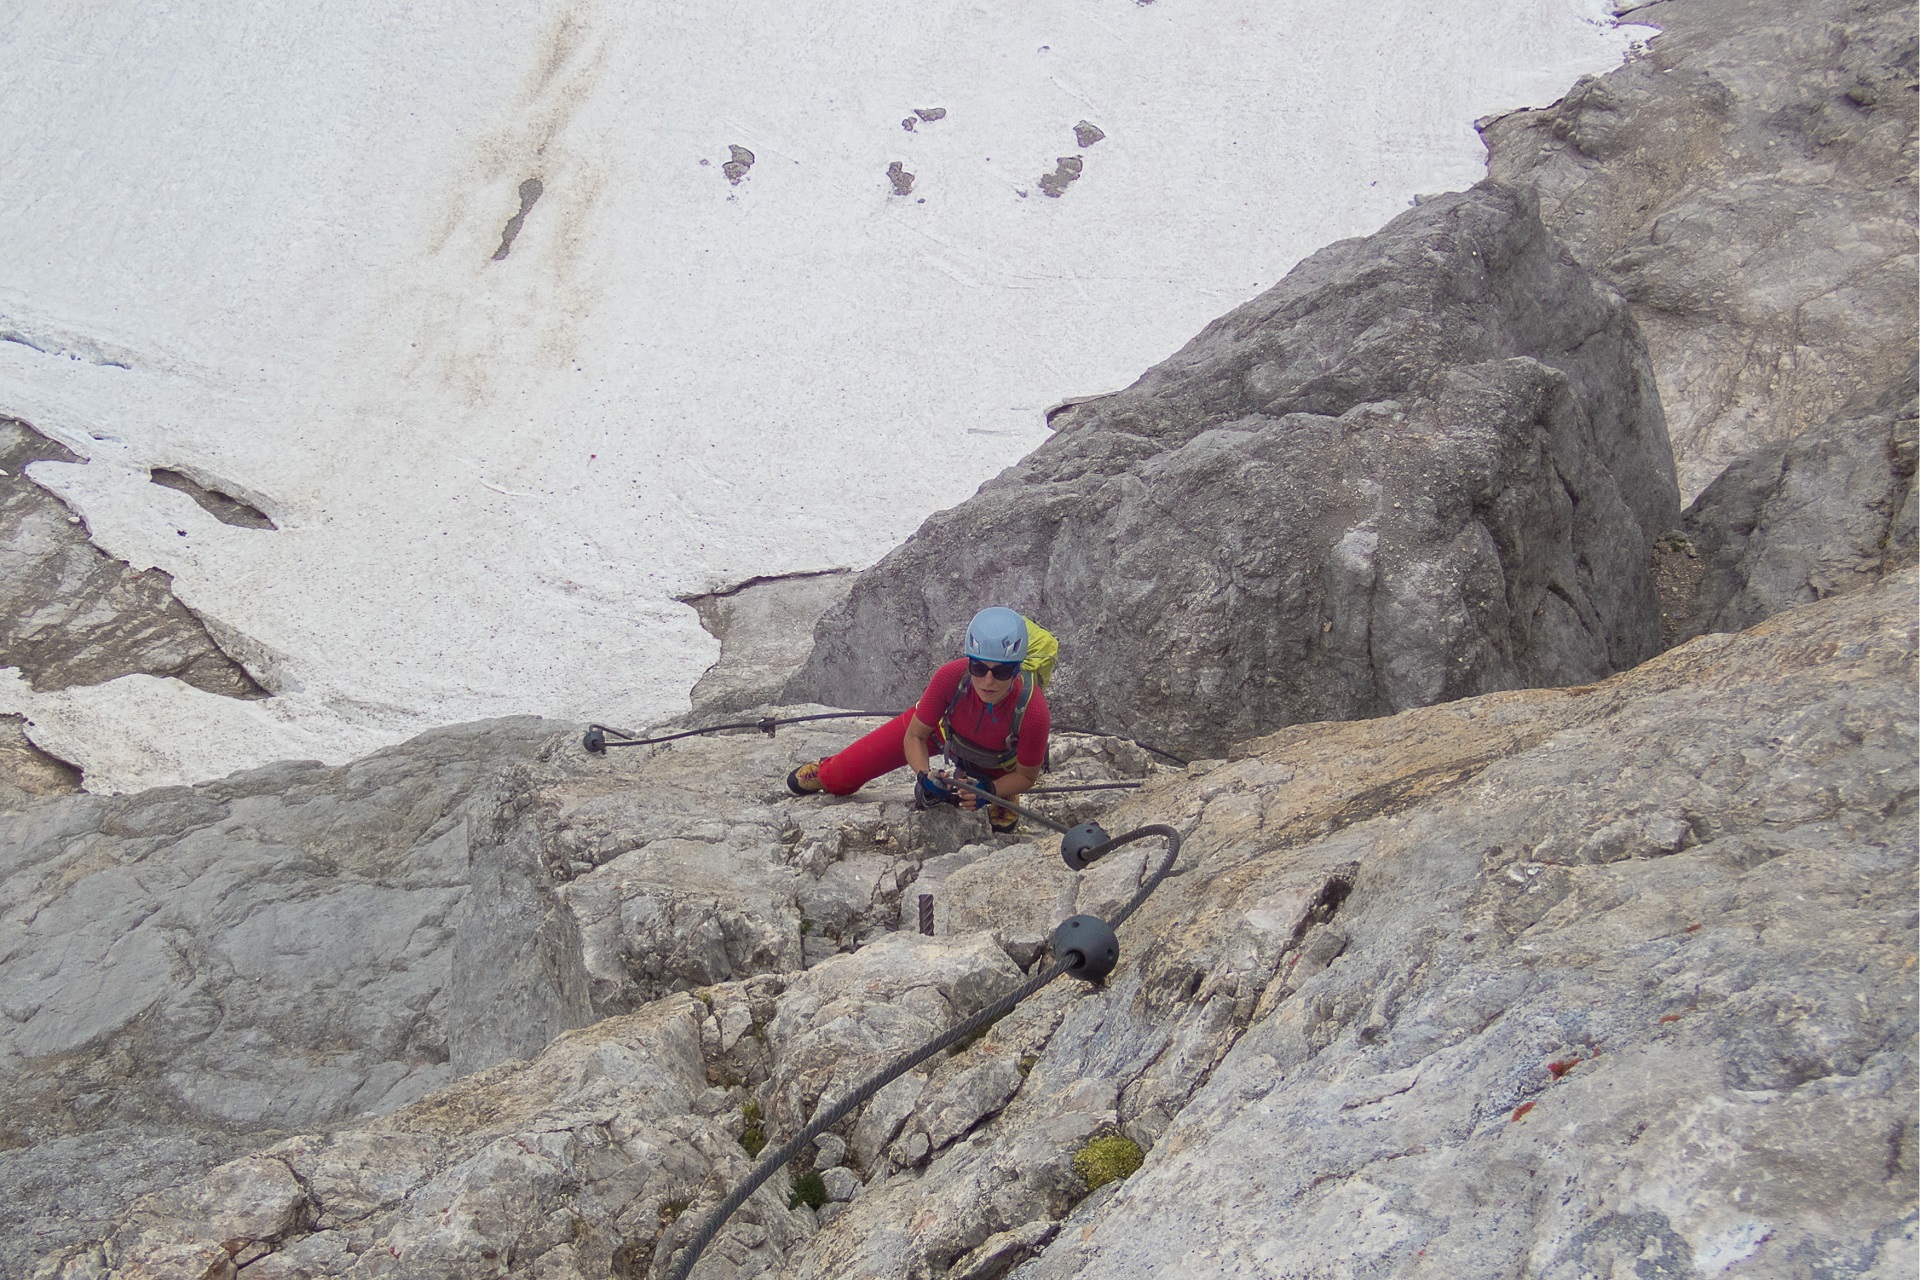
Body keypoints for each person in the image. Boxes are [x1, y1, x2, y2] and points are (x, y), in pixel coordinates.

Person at [786, 607, 1050, 834]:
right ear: (969, 662)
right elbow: (915, 735)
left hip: (998, 758)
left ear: (1017, 670)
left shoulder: (1033, 711)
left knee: (1002, 783)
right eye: (978, 668)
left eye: (1001, 672)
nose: (987, 681)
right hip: (943, 732)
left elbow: (1026, 776)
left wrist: (989, 790)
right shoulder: (951, 677)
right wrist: (924, 775)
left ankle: (1004, 794)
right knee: (840, 776)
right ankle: (826, 771)